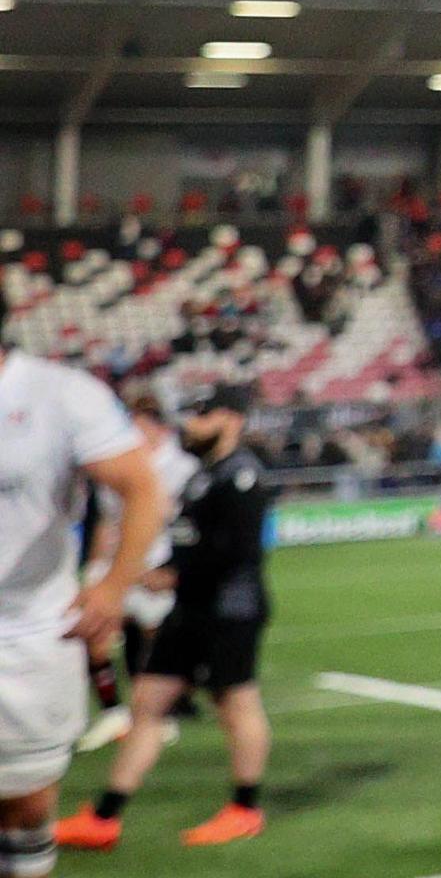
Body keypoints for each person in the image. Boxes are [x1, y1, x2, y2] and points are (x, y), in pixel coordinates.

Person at [55, 385, 269, 850]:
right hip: (189, 608)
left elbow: (235, 553)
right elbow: (190, 542)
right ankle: (104, 817)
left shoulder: (243, 475)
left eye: (202, 414)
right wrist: (164, 574)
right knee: (147, 705)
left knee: (237, 706)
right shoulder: (202, 475)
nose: (190, 424)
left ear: (231, 419)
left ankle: (245, 809)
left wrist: (171, 576)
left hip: (228, 611)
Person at [0, 345, 167, 878]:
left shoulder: (62, 393)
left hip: (25, 634)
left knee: (24, 804)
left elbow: (141, 487)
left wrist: (113, 587)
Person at [73, 391, 199, 755]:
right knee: (95, 634)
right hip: (118, 563)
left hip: (157, 563)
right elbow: (107, 521)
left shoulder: (181, 466)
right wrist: (94, 569)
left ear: (157, 426)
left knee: (156, 640)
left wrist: (172, 569)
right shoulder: (115, 464)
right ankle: (113, 711)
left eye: (139, 424)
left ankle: (158, 714)